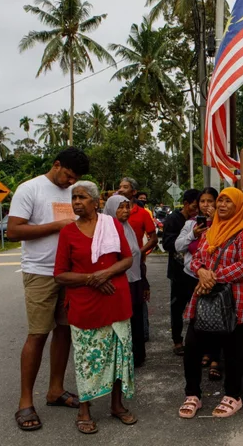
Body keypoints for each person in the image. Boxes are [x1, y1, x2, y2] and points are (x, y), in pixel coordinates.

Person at [7, 147, 89, 432]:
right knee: (38, 334)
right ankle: (25, 401)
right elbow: (14, 231)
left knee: (64, 331)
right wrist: (58, 226)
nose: (70, 183)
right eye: (68, 176)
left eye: (75, 179)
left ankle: (55, 390)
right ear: (56, 165)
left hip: (69, 274)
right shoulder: (30, 189)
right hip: (40, 272)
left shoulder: (74, 193)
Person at [54, 181, 137, 434]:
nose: (77, 202)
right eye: (74, 198)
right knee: (86, 359)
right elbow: (60, 275)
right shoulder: (68, 232)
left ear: (95, 201)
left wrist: (105, 274)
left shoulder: (111, 225)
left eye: (82, 197)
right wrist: (92, 279)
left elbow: (127, 258)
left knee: (117, 356)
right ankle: (85, 410)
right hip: (85, 305)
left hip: (115, 302)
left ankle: (117, 405)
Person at [179, 187, 243, 419]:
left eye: (227, 202)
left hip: (232, 302)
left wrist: (211, 277)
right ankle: (192, 394)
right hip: (204, 300)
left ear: (238, 206)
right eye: (220, 201)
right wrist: (202, 272)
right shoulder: (209, 232)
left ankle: (233, 395)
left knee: (232, 349)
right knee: (192, 347)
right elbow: (196, 260)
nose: (222, 205)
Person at [176, 187, 222, 380]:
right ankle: (203, 352)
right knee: (198, 319)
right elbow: (178, 246)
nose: (206, 205)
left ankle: (215, 359)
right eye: (202, 201)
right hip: (192, 276)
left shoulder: (223, 224)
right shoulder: (190, 224)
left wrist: (214, 223)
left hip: (214, 279)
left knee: (217, 318)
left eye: (210, 201)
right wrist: (194, 233)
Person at [104, 195, 146, 367]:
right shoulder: (107, 231)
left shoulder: (127, 228)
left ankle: (136, 356)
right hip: (119, 283)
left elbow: (137, 257)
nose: (125, 211)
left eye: (127, 207)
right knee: (121, 322)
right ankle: (121, 359)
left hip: (134, 281)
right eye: (120, 207)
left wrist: (144, 282)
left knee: (135, 319)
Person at [162, 189, 201, 355]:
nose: (197, 210)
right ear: (185, 204)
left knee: (198, 309)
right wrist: (187, 237)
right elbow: (167, 244)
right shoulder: (173, 219)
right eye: (194, 206)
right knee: (177, 309)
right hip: (178, 273)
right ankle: (177, 341)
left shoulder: (200, 220)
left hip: (195, 272)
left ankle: (197, 342)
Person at [118, 178, 157, 342]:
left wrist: (139, 252)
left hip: (137, 264)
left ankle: (141, 337)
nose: (120, 190)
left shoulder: (142, 214)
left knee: (138, 301)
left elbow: (153, 238)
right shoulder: (114, 212)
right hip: (117, 264)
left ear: (133, 192)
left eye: (125, 187)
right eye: (120, 187)